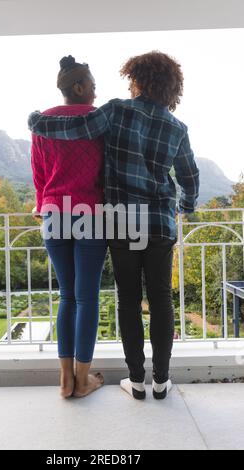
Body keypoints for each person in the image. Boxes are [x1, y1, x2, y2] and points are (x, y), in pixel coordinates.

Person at [28, 51, 200, 401]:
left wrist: (36, 121)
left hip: (121, 220)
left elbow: (77, 128)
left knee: (127, 301)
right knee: (161, 300)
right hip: (156, 223)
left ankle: (135, 382)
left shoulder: (118, 110)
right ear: (171, 88)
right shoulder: (177, 127)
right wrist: (184, 207)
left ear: (136, 79)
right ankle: (161, 382)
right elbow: (189, 177)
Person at [30, 56, 107, 399]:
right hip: (90, 213)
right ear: (78, 86)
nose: (95, 88)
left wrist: (42, 204)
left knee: (67, 296)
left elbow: (39, 175)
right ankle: (83, 379)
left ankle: (64, 381)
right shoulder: (98, 120)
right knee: (87, 298)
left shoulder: (42, 123)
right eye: (91, 82)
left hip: (52, 213)